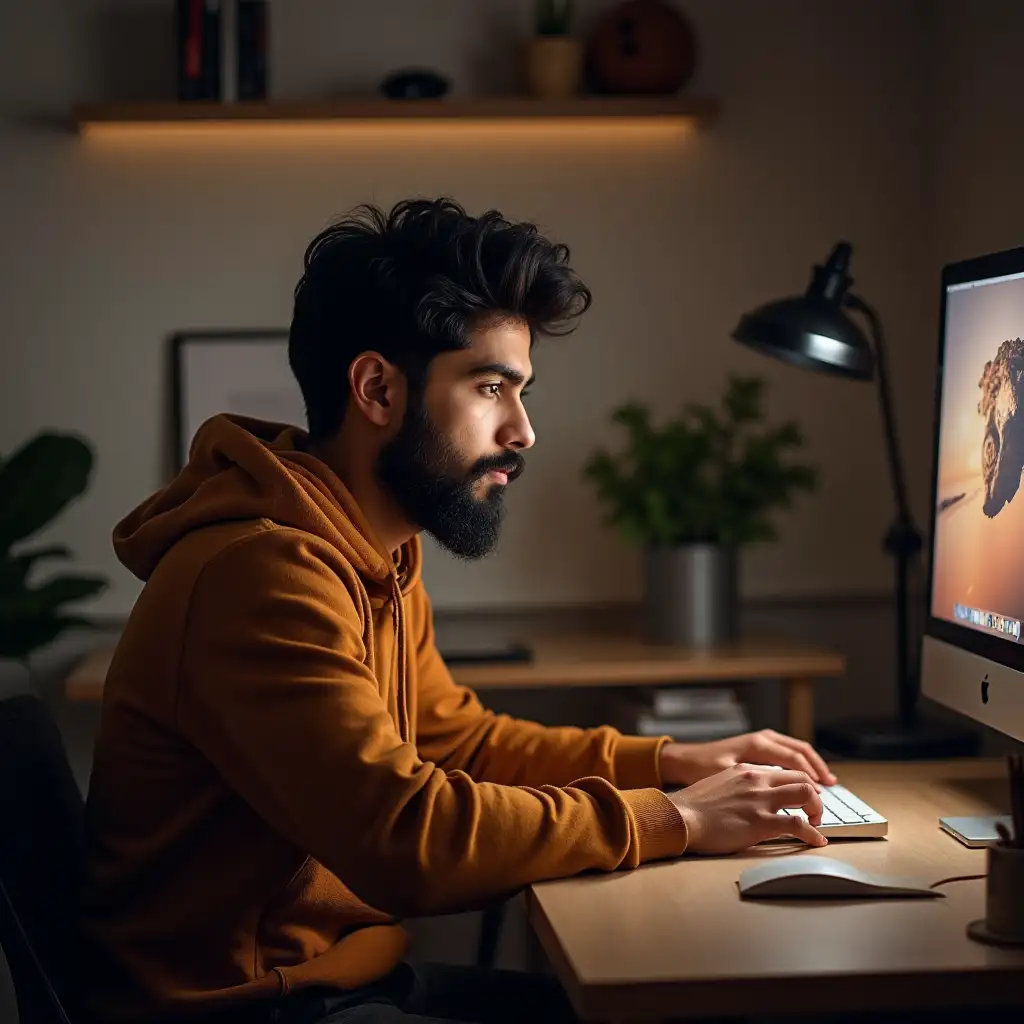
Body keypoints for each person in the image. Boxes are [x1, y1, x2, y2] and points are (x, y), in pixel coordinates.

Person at [77, 198, 836, 1024]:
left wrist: (669, 763)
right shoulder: (261, 574)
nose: (523, 431)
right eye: (490, 387)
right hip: (250, 1009)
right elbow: (408, 839)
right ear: (377, 389)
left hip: (340, 982)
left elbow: (454, 743)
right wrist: (677, 821)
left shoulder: (375, 548)